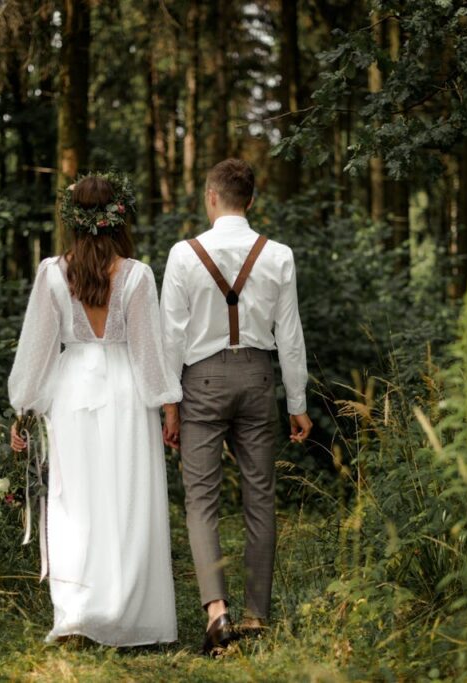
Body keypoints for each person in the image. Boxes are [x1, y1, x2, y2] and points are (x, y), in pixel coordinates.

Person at [7, 173, 181, 647]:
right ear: (119, 215)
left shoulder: (51, 273)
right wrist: (169, 407)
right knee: (127, 501)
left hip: (72, 393)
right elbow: (149, 352)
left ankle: (79, 614)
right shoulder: (138, 275)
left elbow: (37, 349)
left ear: (73, 219)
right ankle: (126, 614)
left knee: (75, 502)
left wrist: (22, 408)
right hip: (126, 392)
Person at [159, 158, 312, 656]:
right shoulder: (279, 255)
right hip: (256, 377)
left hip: (199, 380)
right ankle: (255, 617)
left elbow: (170, 338)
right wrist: (297, 402)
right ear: (252, 200)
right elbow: (290, 335)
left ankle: (216, 615)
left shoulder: (184, 255)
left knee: (201, 500)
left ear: (210, 196)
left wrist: (170, 405)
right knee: (259, 498)